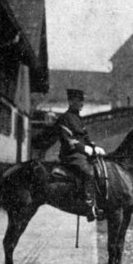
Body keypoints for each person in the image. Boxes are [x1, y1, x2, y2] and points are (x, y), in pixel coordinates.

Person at [55, 89, 105, 222]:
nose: (82, 103)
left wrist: (95, 148)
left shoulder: (78, 118)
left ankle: (98, 201)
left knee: (99, 168)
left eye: (82, 100)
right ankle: (88, 206)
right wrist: (84, 148)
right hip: (70, 154)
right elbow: (68, 140)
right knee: (89, 172)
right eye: (79, 100)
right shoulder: (65, 118)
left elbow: (86, 138)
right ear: (71, 101)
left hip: (80, 153)